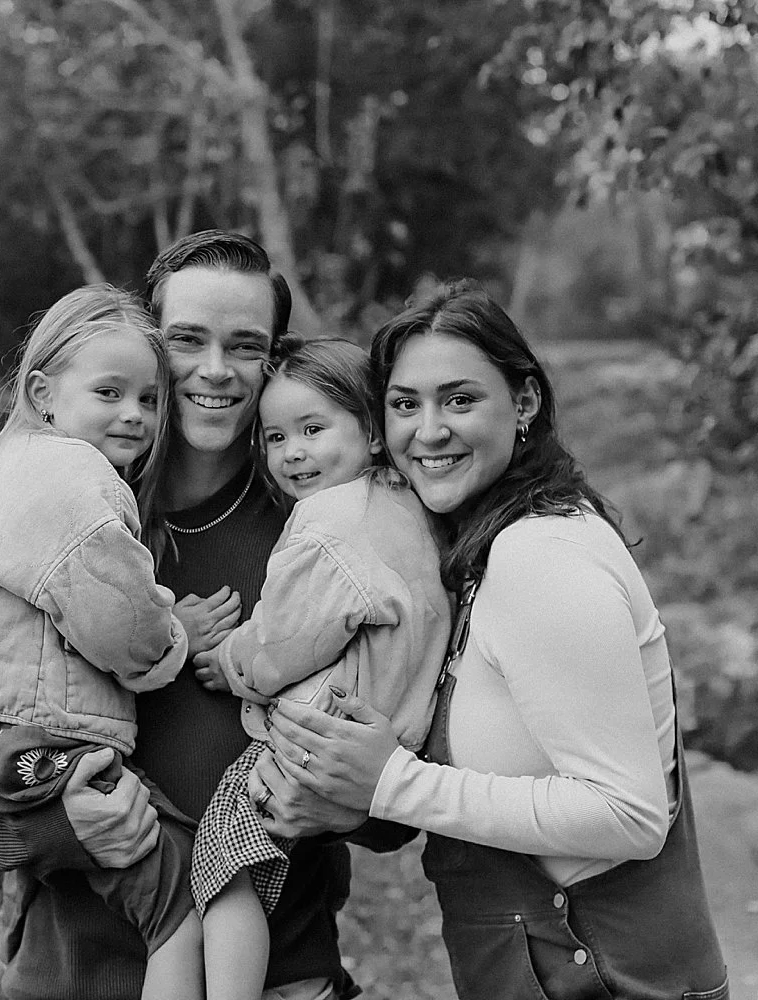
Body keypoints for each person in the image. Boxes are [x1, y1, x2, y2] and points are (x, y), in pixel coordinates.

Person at [0, 231, 386, 1000]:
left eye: (246, 346)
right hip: (75, 975)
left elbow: (398, 776)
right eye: (187, 340)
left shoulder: (320, 530)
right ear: (147, 345)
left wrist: (352, 794)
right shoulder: (63, 511)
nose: (215, 370)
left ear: (273, 360)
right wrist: (56, 828)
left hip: (275, 975)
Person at [260, 281, 729, 1000]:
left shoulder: (542, 556)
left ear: (524, 402)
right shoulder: (477, 550)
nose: (428, 431)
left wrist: (392, 781)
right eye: (405, 404)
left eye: (459, 400)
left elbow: (628, 815)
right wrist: (358, 794)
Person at [0, 284, 204, 999]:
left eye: (150, 398)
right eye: (110, 392)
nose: (134, 414)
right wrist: (179, 638)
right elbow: (125, 629)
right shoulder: (76, 481)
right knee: (182, 899)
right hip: (44, 738)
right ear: (43, 393)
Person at [189, 336, 451, 1000]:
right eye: (275, 437)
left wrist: (226, 660)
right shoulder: (409, 505)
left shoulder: (328, 523)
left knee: (222, 862)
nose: (292, 453)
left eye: (312, 429)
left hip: (313, 737)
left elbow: (282, 644)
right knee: (271, 864)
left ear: (371, 432)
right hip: (390, 737)